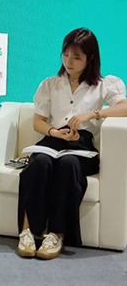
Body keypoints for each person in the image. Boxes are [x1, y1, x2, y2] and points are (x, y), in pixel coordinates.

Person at [18, 28, 127, 259]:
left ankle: (57, 234)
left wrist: (93, 114)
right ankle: (28, 232)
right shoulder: (50, 84)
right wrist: (54, 132)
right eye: (65, 54)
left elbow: (124, 107)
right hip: (54, 138)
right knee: (39, 163)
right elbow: (38, 122)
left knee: (68, 164)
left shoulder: (104, 84)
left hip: (82, 146)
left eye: (76, 57)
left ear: (90, 58)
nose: (69, 61)